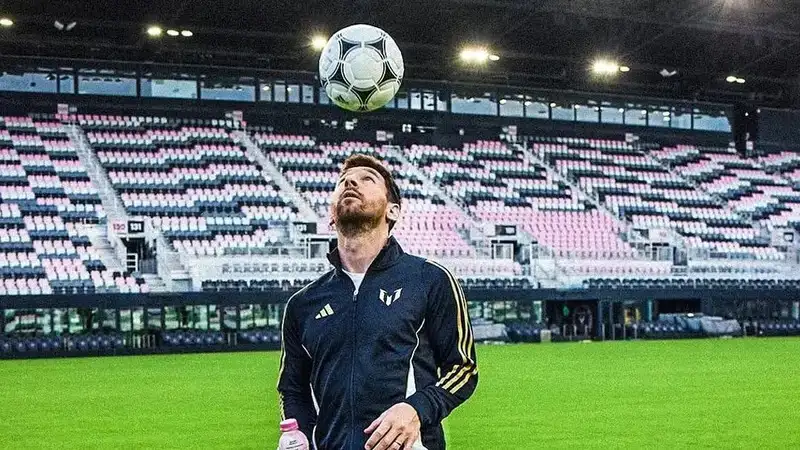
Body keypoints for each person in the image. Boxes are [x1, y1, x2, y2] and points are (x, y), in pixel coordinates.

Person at [277, 154, 478, 450]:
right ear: (331, 213)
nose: (351, 183)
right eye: (343, 182)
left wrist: (416, 409)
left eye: (367, 179)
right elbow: (293, 389)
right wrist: (298, 434)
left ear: (393, 210)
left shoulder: (430, 279)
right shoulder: (302, 304)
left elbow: (463, 369)